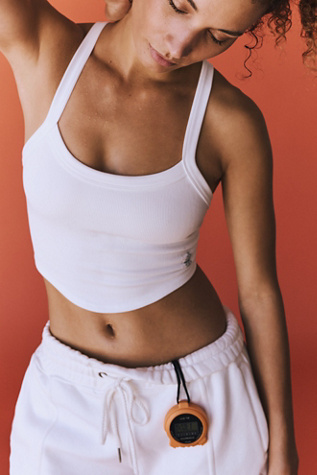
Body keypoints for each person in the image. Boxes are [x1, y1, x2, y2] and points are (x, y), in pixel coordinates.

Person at [2, 0, 315, 473]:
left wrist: (283, 441)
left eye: (220, 36)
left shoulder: (230, 122)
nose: (181, 43)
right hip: (65, 398)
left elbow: (258, 291)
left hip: (202, 399)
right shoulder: (44, 47)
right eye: (179, 6)